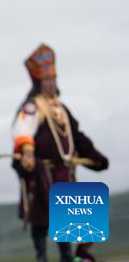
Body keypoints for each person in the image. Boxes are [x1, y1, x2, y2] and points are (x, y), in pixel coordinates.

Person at [11, 44, 109, 262]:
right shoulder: (32, 107)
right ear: (38, 82)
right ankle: (42, 257)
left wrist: (95, 157)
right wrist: (27, 152)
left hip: (65, 172)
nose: (52, 83)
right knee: (43, 217)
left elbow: (77, 136)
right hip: (42, 172)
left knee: (74, 218)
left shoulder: (61, 109)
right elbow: (22, 130)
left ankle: (72, 255)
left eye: (54, 79)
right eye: (47, 80)